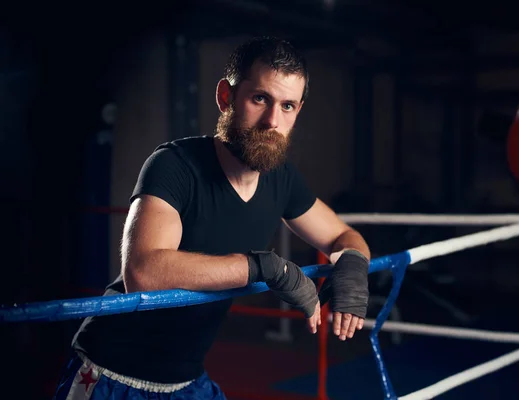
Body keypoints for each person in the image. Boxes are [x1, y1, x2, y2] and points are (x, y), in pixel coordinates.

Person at [53, 36, 371, 399]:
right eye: (259, 99)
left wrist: (353, 265)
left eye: (287, 106)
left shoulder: (282, 179)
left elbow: (342, 235)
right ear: (226, 97)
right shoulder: (175, 165)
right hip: (111, 373)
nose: (272, 120)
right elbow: (143, 272)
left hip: (187, 381)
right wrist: (263, 268)